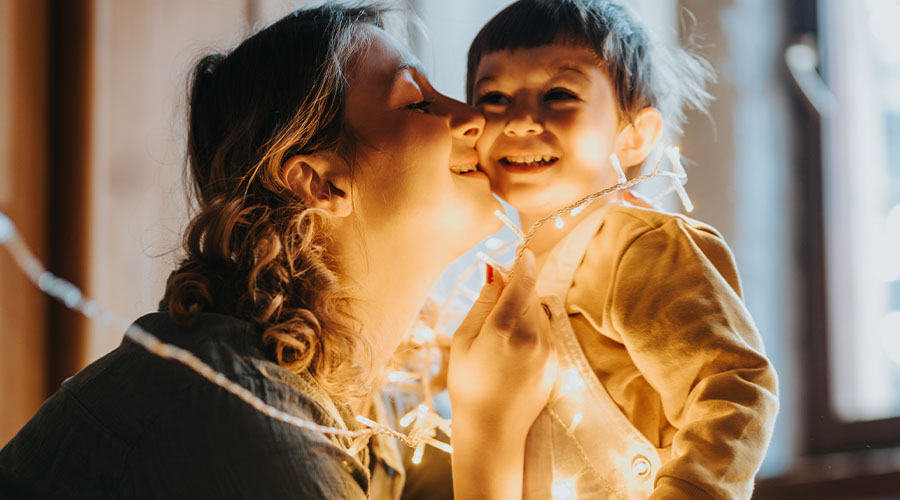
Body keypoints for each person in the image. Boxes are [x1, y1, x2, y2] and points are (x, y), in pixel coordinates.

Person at [0, 4, 554, 499]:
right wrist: (489, 433)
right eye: (416, 102)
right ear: (321, 183)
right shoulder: (244, 419)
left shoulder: (371, 411)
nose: (474, 116)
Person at [466, 1, 778, 499]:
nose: (521, 120)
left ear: (634, 137)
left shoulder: (638, 246)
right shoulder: (505, 278)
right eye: (495, 98)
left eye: (559, 94)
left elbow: (731, 387)